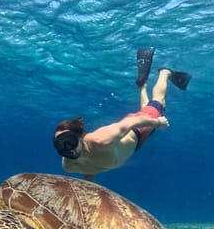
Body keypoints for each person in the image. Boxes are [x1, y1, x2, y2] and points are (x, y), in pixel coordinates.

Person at [53, 48, 191, 182]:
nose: (68, 148)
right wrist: (92, 190)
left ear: (80, 137)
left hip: (137, 130)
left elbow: (132, 123)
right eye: (60, 145)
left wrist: (158, 123)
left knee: (159, 103)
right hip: (134, 145)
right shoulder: (69, 166)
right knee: (146, 108)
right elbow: (88, 170)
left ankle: (164, 72)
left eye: (69, 140)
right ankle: (142, 85)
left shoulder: (102, 140)